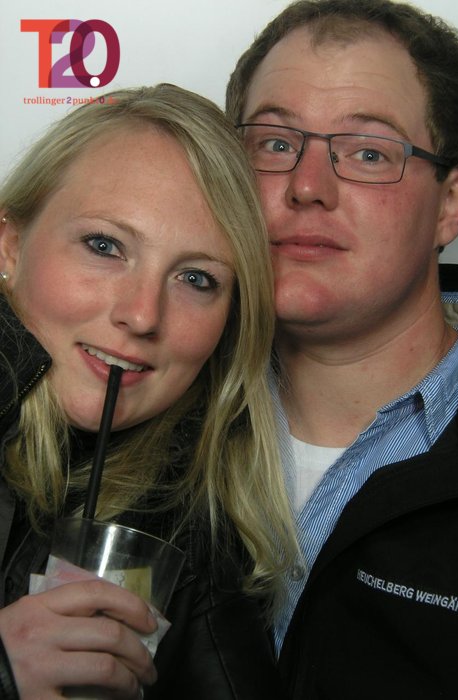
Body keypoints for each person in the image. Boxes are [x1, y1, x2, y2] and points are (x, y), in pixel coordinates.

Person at [226, 1, 458, 697]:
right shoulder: (150, 405)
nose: (307, 187)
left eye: (368, 153)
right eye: (274, 144)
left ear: (451, 203)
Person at [0, 83, 296, 699]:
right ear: (10, 245)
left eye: (196, 278)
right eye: (104, 246)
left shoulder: (188, 527)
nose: (142, 315)